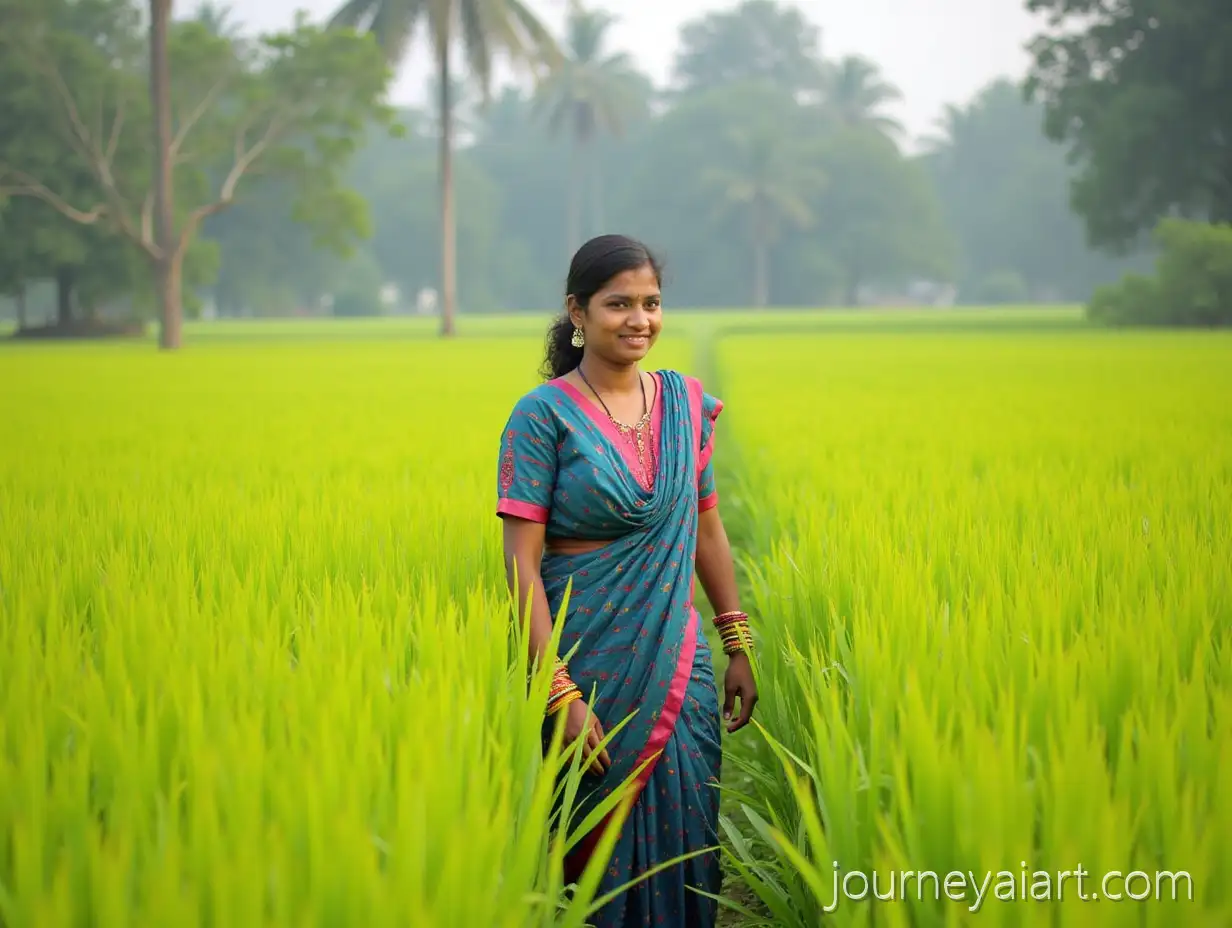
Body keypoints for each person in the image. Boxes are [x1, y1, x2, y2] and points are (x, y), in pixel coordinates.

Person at [496, 233, 758, 927]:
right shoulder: (542, 416)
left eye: (651, 303)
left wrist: (736, 642)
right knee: (591, 843)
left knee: (686, 820)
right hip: (585, 660)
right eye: (619, 304)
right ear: (577, 312)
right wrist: (557, 691)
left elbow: (707, 531)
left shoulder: (683, 406)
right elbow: (521, 562)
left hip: (679, 659)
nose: (640, 319)